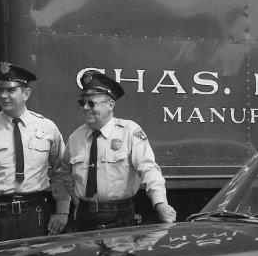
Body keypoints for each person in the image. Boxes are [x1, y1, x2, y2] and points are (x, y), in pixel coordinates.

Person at [0, 62, 71, 244]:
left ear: (26, 94)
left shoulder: (47, 128)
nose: (3, 95)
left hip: (34, 215)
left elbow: (60, 171)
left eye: (10, 90)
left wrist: (62, 210)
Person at [65, 71, 177, 231]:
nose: (85, 108)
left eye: (91, 103)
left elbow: (149, 169)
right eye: (82, 102)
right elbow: (64, 171)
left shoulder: (129, 131)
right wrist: (76, 200)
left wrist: (161, 203)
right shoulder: (76, 137)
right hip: (84, 217)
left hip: (119, 216)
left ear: (110, 105)